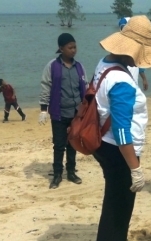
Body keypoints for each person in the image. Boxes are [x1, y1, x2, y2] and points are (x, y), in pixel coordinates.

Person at [93, 15, 151, 241]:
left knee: (114, 194)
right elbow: (122, 129)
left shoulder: (104, 64)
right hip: (118, 148)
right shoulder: (122, 81)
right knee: (121, 198)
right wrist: (135, 167)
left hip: (104, 142)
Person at [39, 33, 86, 188]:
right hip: (59, 113)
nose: (73, 50)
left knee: (73, 143)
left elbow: (84, 88)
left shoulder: (79, 67)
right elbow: (46, 86)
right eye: (70, 47)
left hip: (76, 113)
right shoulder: (52, 66)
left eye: (75, 47)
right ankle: (57, 174)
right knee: (59, 145)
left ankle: (71, 172)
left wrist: (86, 108)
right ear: (61, 48)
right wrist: (43, 109)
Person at [119, 17, 149, 91]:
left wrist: (144, 79)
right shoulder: (119, 45)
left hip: (134, 82)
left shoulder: (137, 45)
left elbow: (140, 65)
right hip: (123, 82)